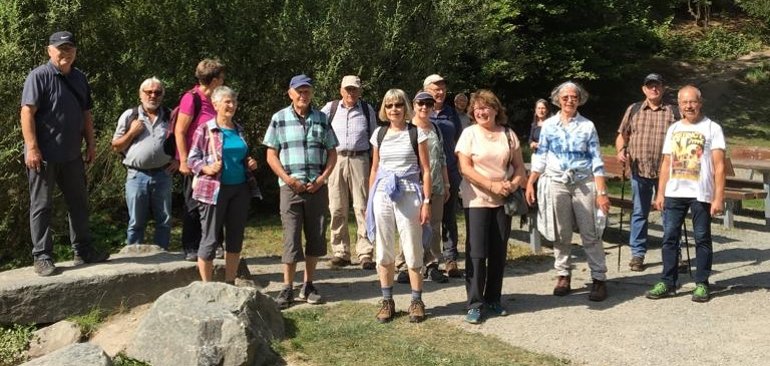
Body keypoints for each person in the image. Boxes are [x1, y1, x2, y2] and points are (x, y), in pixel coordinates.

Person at [21, 31, 109, 276]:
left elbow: (86, 114)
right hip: (43, 156)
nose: (65, 52)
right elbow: (27, 113)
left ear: (75, 52)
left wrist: (91, 144)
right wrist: (32, 147)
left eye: (69, 48)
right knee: (41, 206)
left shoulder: (80, 78)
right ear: (49, 50)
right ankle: (42, 257)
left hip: (72, 155)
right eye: (60, 48)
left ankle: (83, 251)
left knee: (79, 203)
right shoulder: (38, 76)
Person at [524, 81, 609, 302]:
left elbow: (597, 160)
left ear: (580, 99)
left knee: (590, 231)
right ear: (558, 100)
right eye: (565, 98)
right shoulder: (549, 125)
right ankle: (563, 274)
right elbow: (541, 155)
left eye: (574, 97)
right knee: (561, 232)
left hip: (583, 183)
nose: (570, 100)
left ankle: (598, 278)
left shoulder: (587, 126)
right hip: (556, 183)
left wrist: (602, 192)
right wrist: (531, 181)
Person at [645, 85, 725, 303]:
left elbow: (719, 166)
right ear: (679, 105)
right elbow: (666, 163)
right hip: (674, 192)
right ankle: (668, 282)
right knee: (669, 237)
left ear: (700, 102)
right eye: (684, 102)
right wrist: (660, 193)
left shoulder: (712, 128)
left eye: (693, 102)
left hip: (701, 193)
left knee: (702, 238)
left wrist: (718, 197)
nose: (689, 106)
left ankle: (701, 283)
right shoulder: (674, 129)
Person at [264, 74, 338, 309]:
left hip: (317, 188)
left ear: (311, 93)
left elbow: (332, 153)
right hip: (290, 188)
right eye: (299, 91)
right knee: (291, 238)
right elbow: (271, 154)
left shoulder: (322, 118)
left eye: (307, 91)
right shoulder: (279, 118)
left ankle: (308, 284)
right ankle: (287, 287)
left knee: (315, 238)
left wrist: (322, 179)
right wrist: (287, 179)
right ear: (290, 93)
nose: (303, 95)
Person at [457, 90, 526, 323]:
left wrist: (512, 185)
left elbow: (519, 168)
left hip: (503, 200)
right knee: (477, 253)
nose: (481, 111)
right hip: (476, 199)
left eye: (486, 107)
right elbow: (465, 168)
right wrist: (491, 186)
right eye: (477, 108)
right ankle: (474, 303)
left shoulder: (508, 134)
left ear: (496, 110)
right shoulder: (469, 134)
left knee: (498, 251)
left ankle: (493, 299)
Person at [366, 89, 431, 323]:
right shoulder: (379, 134)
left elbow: (425, 170)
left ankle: (416, 300)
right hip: (382, 193)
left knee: (412, 247)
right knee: (383, 248)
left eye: (399, 105)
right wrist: (369, 201)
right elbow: (374, 168)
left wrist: (426, 201)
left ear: (406, 107)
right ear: (385, 108)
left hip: (409, 193)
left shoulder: (416, 134)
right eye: (390, 105)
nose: (394, 109)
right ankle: (387, 301)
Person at [187, 86, 258, 283]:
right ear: (215, 104)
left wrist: (250, 163)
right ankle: (207, 286)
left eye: (234, 102)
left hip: (240, 189)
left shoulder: (239, 129)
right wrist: (207, 168)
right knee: (210, 239)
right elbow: (192, 159)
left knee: (235, 239)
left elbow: (241, 157)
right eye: (227, 101)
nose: (232, 105)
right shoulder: (206, 129)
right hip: (213, 190)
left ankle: (230, 283)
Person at [615, 73, 680, 272]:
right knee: (639, 213)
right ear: (644, 89)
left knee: (669, 214)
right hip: (639, 170)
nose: (654, 89)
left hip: (666, 173)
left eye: (657, 85)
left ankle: (672, 254)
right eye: (650, 86)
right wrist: (620, 151)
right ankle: (637, 254)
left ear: (663, 88)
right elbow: (621, 135)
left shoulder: (673, 112)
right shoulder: (634, 109)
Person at [111, 77, 178, 249]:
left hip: (163, 174)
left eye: (157, 92)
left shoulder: (170, 116)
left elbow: (181, 140)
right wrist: (132, 132)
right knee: (136, 221)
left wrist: (178, 160)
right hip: (136, 175)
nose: (153, 96)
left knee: (164, 219)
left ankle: (163, 257)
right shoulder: (130, 115)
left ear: (162, 95)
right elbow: (116, 146)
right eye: (148, 92)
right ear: (141, 95)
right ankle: (133, 259)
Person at [320, 75, 377, 270]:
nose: (351, 92)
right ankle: (340, 252)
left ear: (360, 91)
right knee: (336, 207)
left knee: (362, 207)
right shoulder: (330, 108)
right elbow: (318, 131)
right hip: (336, 159)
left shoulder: (367, 109)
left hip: (361, 159)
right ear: (341, 90)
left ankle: (365, 252)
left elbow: (374, 138)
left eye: (354, 89)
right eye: (348, 89)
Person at [394, 91, 450, 284]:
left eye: (428, 103)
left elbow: (441, 158)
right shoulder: (407, 129)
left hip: (436, 185)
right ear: (413, 105)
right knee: (409, 225)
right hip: (413, 186)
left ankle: (433, 264)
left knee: (434, 226)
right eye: (420, 103)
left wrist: (447, 183)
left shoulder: (436, 128)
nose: (424, 107)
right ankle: (405, 265)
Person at [175, 58, 225, 262]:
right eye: (221, 77)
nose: (223, 81)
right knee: (193, 204)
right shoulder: (192, 98)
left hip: (216, 161)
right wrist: (184, 161)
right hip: (195, 162)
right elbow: (180, 130)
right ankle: (191, 246)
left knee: (217, 202)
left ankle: (216, 244)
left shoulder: (217, 98)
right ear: (213, 80)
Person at [424, 74, 463, 277]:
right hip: (427, 174)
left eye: (442, 89)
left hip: (450, 172)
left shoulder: (451, 113)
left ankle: (450, 258)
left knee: (448, 217)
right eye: (435, 89)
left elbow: (458, 139)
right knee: (426, 218)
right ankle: (428, 260)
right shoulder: (422, 111)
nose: (440, 92)